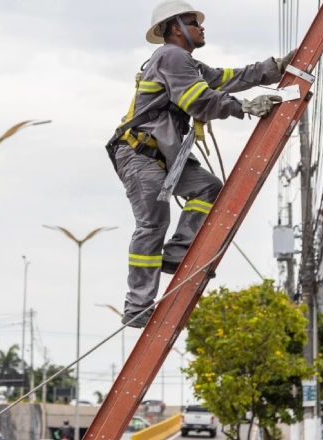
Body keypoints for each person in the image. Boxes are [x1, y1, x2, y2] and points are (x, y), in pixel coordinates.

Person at [106, 0, 295, 328]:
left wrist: (274, 68)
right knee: (152, 224)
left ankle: (177, 253)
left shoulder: (186, 63)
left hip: (165, 156)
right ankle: (137, 306)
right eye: (194, 22)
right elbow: (199, 101)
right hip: (140, 154)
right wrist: (244, 108)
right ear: (176, 28)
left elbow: (227, 78)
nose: (201, 27)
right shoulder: (170, 56)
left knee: (208, 188)